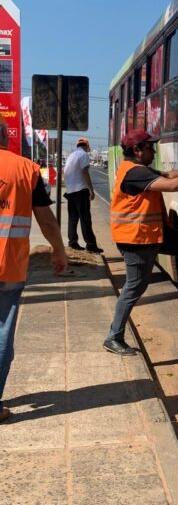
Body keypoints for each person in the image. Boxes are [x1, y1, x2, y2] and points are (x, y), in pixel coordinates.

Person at [104, 129, 178, 355]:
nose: (154, 150)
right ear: (137, 150)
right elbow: (170, 186)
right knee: (134, 287)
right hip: (137, 240)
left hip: (150, 234)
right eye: (150, 147)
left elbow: (169, 176)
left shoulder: (139, 170)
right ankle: (113, 336)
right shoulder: (134, 173)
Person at [0, 116, 67, 423]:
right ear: (6, 137)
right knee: (2, 337)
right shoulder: (26, 169)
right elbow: (46, 219)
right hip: (9, 266)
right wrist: (59, 250)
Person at [63, 137, 103, 253]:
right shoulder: (84, 155)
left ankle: (73, 242)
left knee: (73, 218)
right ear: (86, 146)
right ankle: (90, 244)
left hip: (71, 191)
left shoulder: (71, 155)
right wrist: (91, 189)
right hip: (80, 190)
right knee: (85, 218)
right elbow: (85, 172)